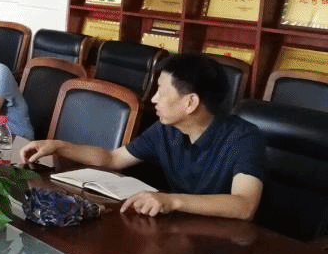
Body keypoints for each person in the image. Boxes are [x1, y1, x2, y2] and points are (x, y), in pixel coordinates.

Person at [20, 53, 266, 220]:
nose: (153, 99)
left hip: (225, 247)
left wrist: (171, 201)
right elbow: (112, 158)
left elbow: (245, 205)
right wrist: (59, 146)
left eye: (161, 91)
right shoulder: (166, 129)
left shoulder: (244, 138)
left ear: (190, 103)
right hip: (181, 230)